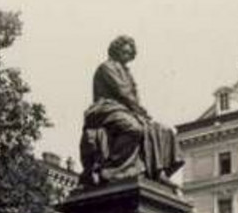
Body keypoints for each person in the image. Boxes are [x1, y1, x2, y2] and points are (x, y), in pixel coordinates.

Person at [79, 35, 186, 186]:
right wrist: (140, 112)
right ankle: (113, 168)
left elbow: (132, 98)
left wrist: (141, 113)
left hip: (126, 109)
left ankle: (159, 171)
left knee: (163, 130)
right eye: (124, 52)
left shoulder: (127, 73)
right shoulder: (107, 67)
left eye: (130, 53)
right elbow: (123, 92)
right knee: (134, 128)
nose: (127, 55)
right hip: (106, 109)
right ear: (116, 50)